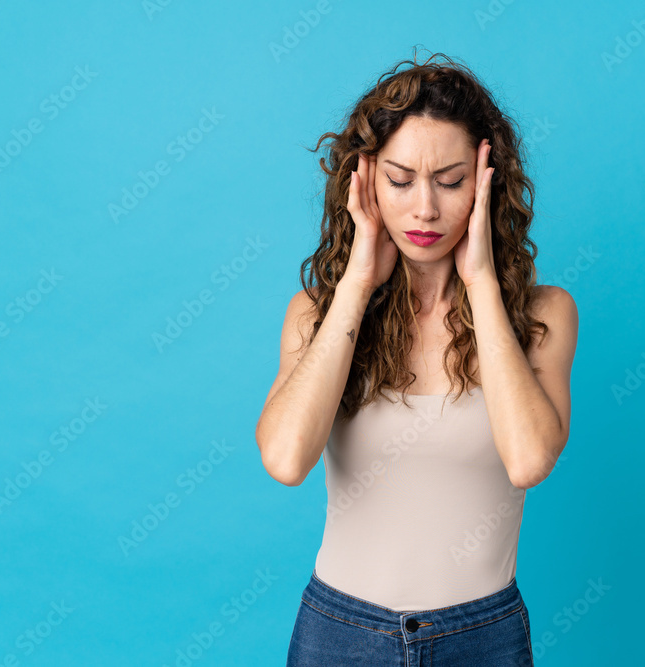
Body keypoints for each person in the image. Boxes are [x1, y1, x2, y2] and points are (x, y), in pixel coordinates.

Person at [256, 49, 578, 666]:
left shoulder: (545, 315)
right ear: (366, 181)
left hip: (482, 637)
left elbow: (530, 459)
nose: (425, 209)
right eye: (400, 181)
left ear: (488, 185)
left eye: (451, 181)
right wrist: (354, 285)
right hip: (340, 635)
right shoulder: (315, 313)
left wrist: (481, 281)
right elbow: (285, 458)